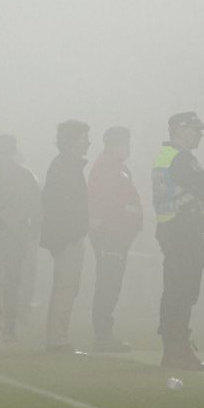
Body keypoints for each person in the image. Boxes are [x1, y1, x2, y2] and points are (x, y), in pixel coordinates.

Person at [153, 111, 204, 371]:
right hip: (184, 230)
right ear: (180, 130)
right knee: (183, 291)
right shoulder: (181, 158)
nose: (200, 134)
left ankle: (173, 348)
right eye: (195, 129)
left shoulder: (164, 157)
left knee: (175, 290)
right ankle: (178, 349)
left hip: (171, 228)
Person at [87, 126, 142, 352]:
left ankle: (104, 333)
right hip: (111, 236)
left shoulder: (118, 168)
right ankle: (103, 335)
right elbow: (103, 204)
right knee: (108, 283)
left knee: (111, 283)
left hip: (118, 235)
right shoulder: (106, 168)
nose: (128, 148)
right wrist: (109, 234)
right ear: (115, 144)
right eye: (126, 143)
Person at [39, 120, 92, 355]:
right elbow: (63, 205)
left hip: (65, 236)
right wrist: (75, 233)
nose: (88, 141)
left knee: (64, 286)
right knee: (66, 286)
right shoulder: (66, 167)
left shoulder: (63, 165)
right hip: (68, 238)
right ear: (73, 140)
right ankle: (58, 340)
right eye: (84, 137)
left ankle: (57, 337)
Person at [0, 134, 40, 343]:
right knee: (12, 282)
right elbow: (37, 207)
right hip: (17, 234)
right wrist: (34, 233)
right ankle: (9, 326)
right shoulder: (26, 175)